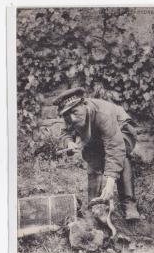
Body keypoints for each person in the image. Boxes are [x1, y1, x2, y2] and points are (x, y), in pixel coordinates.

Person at [53, 87, 140, 220]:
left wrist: (110, 182)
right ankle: (95, 203)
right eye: (68, 115)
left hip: (121, 127)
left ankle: (129, 203)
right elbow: (65, 132)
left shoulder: (103, 114)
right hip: (99, 131)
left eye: (75, 112)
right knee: (92, 155)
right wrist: (69, 142)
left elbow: (115, 148)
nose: (72, 118)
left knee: (123, 156)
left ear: (84, 104)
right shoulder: (70, 115)